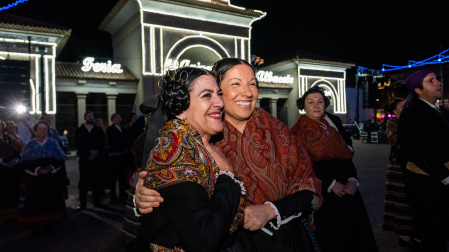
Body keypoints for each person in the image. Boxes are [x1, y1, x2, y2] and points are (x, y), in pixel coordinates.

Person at [135, 58, 322, 252]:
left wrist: (271, 210)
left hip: (288, 240)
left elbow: (308, 187)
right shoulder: (203, 136)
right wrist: (147, 196)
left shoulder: (279, 132)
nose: (248, 92)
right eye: (236, 84)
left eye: (252, 84)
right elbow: (185, 202)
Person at [132, 67, 245, 251]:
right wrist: (227, 177)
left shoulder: (210, 144)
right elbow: (205, 240)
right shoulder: (175, 152)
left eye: (218, 94)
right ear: (180, 107)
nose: (219, 102)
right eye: (207, 95)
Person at [291, 88, 378, 252]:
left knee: (358, 234)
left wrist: (353, 179)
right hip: (325, 191)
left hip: (348, 187)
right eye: (310, 102)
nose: (316, 106)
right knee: (334, 237)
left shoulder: (332, 124)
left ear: (325, 104)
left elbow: (346, 154)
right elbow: (302, 166)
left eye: (320, 101)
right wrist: (330, 184)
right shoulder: (297, 132)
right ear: (303, 106)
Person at [398, 69, 449, 251]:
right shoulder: (412, 113)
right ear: (418, 90)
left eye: (436, 79)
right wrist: (445, 177)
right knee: (433, 235)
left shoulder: (440, 110)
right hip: (427, 183)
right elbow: (419, 153)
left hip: (440, 180)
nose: (438, 83)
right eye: (431, 81)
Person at [17, 121, 67, 233]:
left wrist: (50, 168)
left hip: (50, 178)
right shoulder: (29, 145)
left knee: (50, 201)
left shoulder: (53, 143)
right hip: (34, 180)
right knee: (35, 203)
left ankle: (49, 224)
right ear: (35, 131)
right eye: (40, 129)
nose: (43, 131)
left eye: (45, 129)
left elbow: (60, 159)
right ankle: (35, 226)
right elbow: (24, 163)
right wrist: (37, 170)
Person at [382, 98, 414, 246]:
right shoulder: (392, 122)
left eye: (406, 105)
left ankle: (411, 231)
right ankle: (403, 235)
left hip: (409, 162)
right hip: (397, 165)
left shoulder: (410, 120)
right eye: (402, 106)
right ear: (395, 110)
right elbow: (396, 142)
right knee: (400, 197)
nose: (405, 108)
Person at [74, 111, 107, 211]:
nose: (89, 117)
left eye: (91, 116)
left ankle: (97, 201)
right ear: (85, 118)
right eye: (88, 116)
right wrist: (87, 154)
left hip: (97, 160)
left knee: (97, 180)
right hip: (85, 159)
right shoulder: (80, 130)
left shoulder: (98, 130)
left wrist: (96, 152)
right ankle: (82, 203)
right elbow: (77, 144)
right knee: (83, 181)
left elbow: (102, 143)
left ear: (93, 117)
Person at [0, 120, 21, 222]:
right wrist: (2, 163)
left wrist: (15, 160)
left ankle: (13, 214)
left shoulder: (7, 137)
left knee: (12, 188)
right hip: (2, 167)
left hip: (11, 167)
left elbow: (14, 150)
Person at [106, 113, 128, 202]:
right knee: (113, 177)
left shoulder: (123, 129)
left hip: (122, 155)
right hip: (114, 156)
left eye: (119, 117)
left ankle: (122, 193)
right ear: (112, 120)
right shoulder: (110, 129)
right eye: (116, 118)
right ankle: (113, 195)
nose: (118, 119)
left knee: (122, 176)